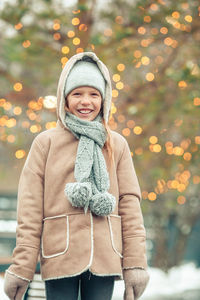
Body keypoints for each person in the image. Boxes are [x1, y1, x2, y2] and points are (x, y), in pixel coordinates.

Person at [4, 51, 150, 300]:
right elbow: (29, 210)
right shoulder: (45, 143)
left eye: (94, 94)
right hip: (60, 255)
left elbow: (130, 205)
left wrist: (135, 264)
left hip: (105, 256)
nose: (86, 101)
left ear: (104, 99)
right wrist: (22, 267)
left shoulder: (117, 144)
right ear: (65, 98)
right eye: (77, 94)